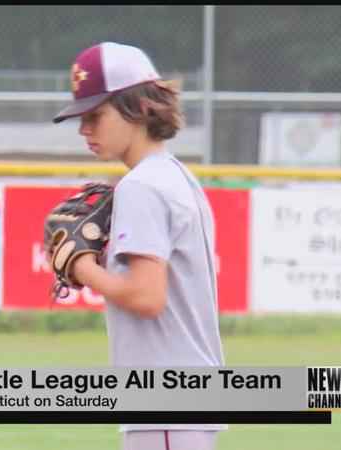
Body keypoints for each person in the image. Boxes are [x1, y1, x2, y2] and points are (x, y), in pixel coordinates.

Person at [51, 42, 226, 450]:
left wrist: (81, 267)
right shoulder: (175, 175)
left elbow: (146, 296)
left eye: (96, 115)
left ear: (140, 106)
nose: (84, 129)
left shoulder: (142, 186)